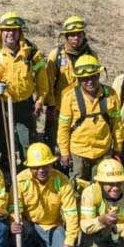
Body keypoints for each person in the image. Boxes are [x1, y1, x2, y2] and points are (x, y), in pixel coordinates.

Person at [0, 11, 48, 171]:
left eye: (14, 30)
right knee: (1, 135)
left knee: (26, 139)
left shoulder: (31, 53)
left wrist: (39, 100)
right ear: (0, 32)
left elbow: (42, 80)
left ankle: (26, 168)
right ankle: (7, 164)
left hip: (24, 104)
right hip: (2, 103)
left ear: (19, 32)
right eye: (6, 30)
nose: (10, 34)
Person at [57, 55, 124, 186]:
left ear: (99, 75)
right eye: (85, 78)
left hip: (103, 152)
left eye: (93, 76)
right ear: (78, 79)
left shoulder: (111, 95)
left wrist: (118, 148)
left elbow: (117, 125)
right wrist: (64, 153)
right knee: (77, 187)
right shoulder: (69, 97)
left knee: (101, 187)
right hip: (78, 153)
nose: (89, 81)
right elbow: (63, 129)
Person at [10, 143, 78, 247]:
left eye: (45, 165)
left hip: (53, 226)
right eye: (36, 167)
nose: (41, 170)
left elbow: (71, 214)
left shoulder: (62, 181)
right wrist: (14, 221)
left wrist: (69, 243)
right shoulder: (20, 180)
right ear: (29, 167)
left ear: (52, 164)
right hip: (29, 226)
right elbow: (13, 208)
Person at [45, 15, 98, 150]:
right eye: (72, 35)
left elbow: (94, 82)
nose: (76, 38)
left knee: (77, 139)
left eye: (79, 34)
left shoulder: (91, 56)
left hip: (82, 107)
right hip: (58, 106)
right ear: (66, 36)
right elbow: (48, 82)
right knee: (52, 139)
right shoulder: (56, 55)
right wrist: (50, 106)